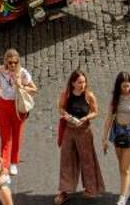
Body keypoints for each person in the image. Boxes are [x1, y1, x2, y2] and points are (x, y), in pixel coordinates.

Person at [54, 69, 102, 205]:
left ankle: (90, 188)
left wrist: (85, 118)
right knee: (66, 160)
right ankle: (64, 191)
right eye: (80, 82)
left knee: (87, 159)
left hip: (84, 130)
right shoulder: (66, 95)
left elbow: (95, 112)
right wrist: (67, 116)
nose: (83, 85)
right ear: (73, 83)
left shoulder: (89, 95)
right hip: (69, 130)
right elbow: (61, 109)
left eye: (84, 82)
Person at [0, 49, 36, 179]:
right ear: (5, 61)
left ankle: (13, 162)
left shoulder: (23, 73)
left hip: (18, 106)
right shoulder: (0, 71)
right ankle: (4, 168)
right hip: (4, 105)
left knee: (17, 135)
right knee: (5, 138)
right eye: (10, 62)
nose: (12, 65)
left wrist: (21, 86)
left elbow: (34, 89)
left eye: (15, 62)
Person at [106, 72, 130, 205]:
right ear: (119, 86)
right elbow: (109, 119)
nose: (126, 88)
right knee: (121, 165)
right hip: (117, 132)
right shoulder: (115, 98)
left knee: (125, 167)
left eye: (128, 86)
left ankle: (123, 197)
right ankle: (125, 189)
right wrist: (104, 138)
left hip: (129, 133)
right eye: (124, 86)